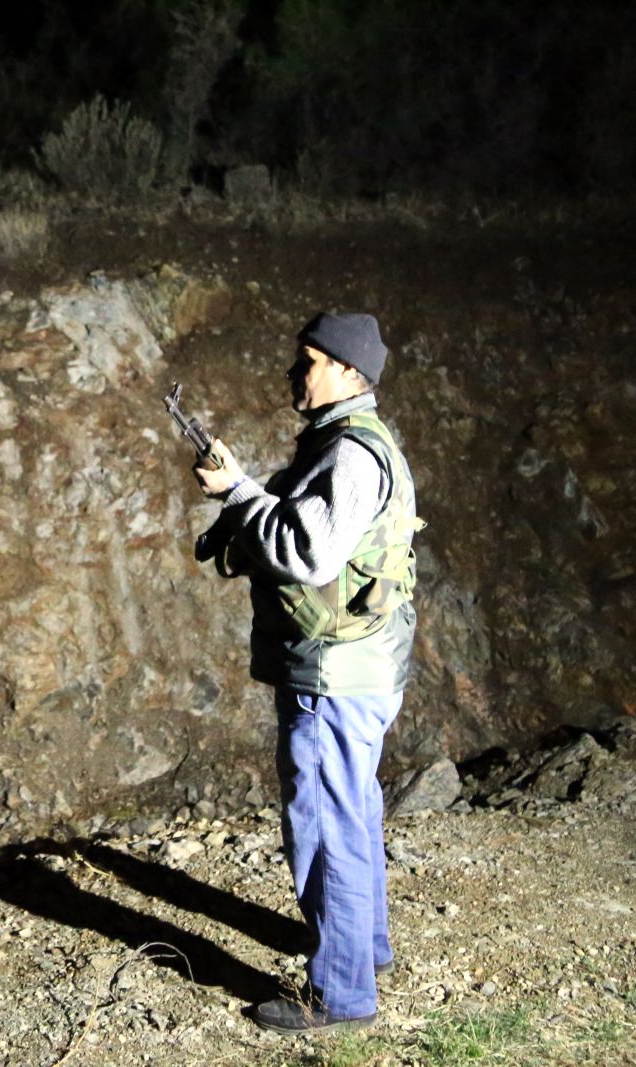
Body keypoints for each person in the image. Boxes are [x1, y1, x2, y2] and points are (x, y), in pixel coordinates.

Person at [191, 311, 422, 1033]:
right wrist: (248, 491)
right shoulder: (352, 440)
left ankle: (341, 993)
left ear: (352, 374)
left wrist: (236, 492)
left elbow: (307, 552)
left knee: (327, 822)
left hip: (335, 673)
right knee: (352, 810)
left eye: (312, 362)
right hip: (361, 662)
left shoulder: (350, 453)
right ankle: (363, 949)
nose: (298, 373)